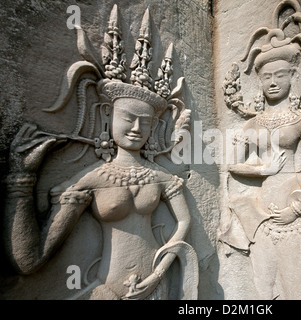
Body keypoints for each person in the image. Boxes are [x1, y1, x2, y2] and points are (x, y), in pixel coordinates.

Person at [4, 80, 194, 300]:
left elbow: (184, 222)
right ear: (107, 115)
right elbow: (30, 260)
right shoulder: (91, 179)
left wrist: (159, 272)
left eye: (145, 123)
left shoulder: (160, 176)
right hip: (108, 287)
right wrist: (21, 180)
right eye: (128, 118)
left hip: (155, 282)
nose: (136, 129)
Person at [225, 32, 301, 299]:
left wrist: (296, 209)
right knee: (264, 288)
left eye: (279, 76)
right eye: (266, 77)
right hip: (262, 217)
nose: (272, 82)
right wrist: (263, 170)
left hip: (294, 216)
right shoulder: (253, 124)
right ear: (259, 82)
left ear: (292, 78)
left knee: (297, 288)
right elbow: (233, 165)